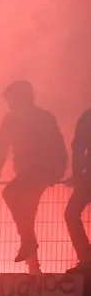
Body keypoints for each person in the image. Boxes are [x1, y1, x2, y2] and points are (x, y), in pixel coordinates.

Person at [0, 81, 66, 274]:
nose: (11, 106)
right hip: (34, 173)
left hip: (37, 172)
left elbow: (57, 146)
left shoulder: (35, 119)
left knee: (10, 193)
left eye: (12, 101)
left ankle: (28, 244)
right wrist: (58, 172)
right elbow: (1, 147)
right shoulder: (39, 117)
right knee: (27, 217)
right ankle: (33, 266)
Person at [65, 108, 91, 274]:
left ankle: (87, 259)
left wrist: (77, 174)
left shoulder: (88, 117)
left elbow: (79, 147)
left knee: (71, 213)